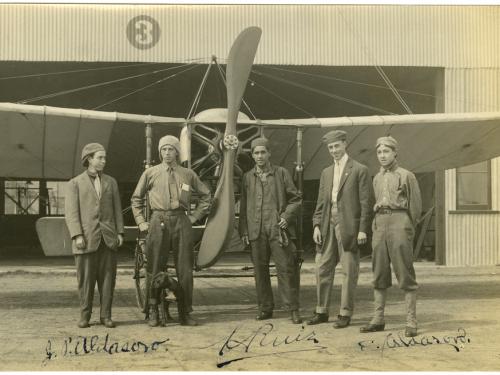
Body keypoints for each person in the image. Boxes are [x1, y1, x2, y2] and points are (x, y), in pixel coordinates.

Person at [131, 135, 211, 327]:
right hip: (158, 220)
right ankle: (153, 311)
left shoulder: (188, 174)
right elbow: (136, 199)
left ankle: (185, 312)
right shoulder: (150, 173)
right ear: (160, 152)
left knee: (185, 269)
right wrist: (142, 221)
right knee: (154, 268)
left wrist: (193, 217)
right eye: (164, 150)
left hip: (181, 220)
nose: (167, 153)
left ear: (177, 152)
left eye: (171, 149)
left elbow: (206, 196)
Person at [307, 130, 373, 327]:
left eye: (337, 146)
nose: (334, 150)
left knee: (349, 271)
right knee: (323, 268)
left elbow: (366, 203)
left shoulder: (359, 170)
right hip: (328, 225)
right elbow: (321, 203)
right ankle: (321, 311)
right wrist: (316, 225)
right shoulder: (326, 172)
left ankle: (345, 313)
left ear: (345, 144)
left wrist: (362, 229)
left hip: (350, 228)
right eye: (330, 147)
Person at [360, 136, 422, 337]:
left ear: (395, 152)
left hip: (399, 222)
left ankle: (411, 321)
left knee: (405, 272)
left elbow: (415, 207)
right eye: (379, 152)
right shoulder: (376, 178)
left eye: (386, 151)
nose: (382, 156)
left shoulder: (406, 176)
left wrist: (407, 228)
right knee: (379, 272)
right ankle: (378, 319)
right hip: (380, 224)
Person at [239, 137, 303, 324]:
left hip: (277, 230)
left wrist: (286, 217)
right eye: (256, 153)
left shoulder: (281, 173)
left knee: (286, 269)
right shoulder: (247, 177)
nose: (259, 156)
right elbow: (243, 206)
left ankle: (293, 309)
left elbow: (296, 199)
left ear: (269, 153)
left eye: (262, 152)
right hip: (256, 231)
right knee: (260, 271)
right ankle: (265, 308)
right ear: (252, 155)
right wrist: (244, 230)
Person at [65, 142, 124, 329]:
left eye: (105, 157)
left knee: (108, 280)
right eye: (100, 157)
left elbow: (117, 210)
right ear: (89, 159)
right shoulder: (74, 183)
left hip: (108, 239)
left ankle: (106, 316)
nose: (104, 161)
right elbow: (71, 213)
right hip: (86, 239)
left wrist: (120, 232)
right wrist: (77, 235)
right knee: (86, 280)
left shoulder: (111, 182)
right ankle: (85, 316)